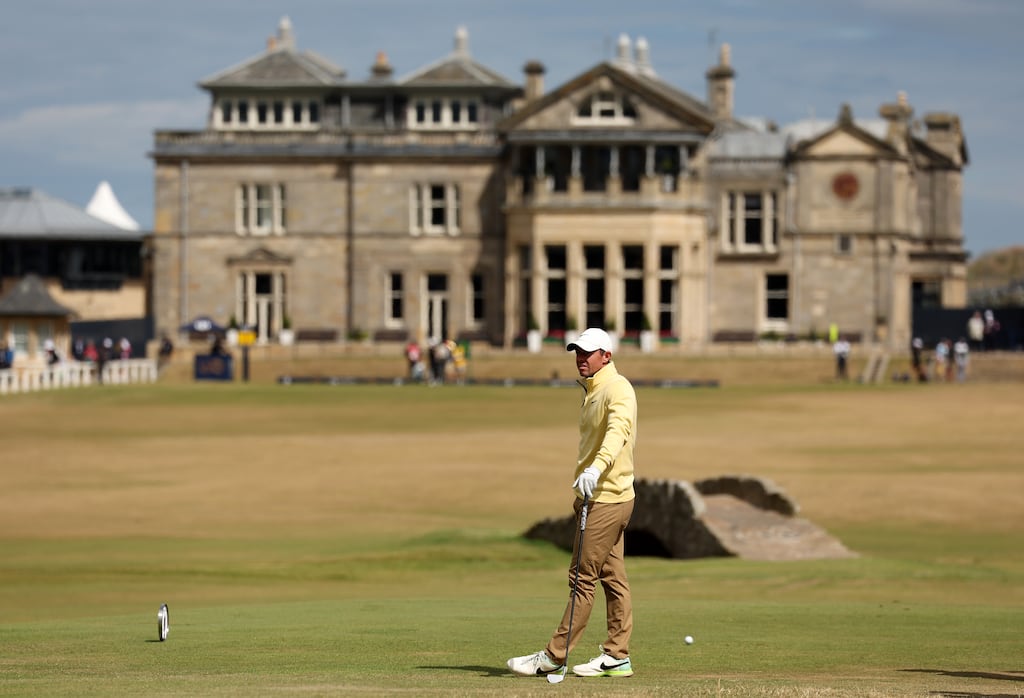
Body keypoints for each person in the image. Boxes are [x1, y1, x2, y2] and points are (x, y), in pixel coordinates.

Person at [507, 327, 637, 679]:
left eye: (588, 352)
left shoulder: (617, 388)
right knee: (613, 576)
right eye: (577, 351)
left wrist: (595, 468)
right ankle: (617, 656)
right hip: (606, 497)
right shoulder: (595, 388)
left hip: (606, 499)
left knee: (582, 577)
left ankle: (554, 656)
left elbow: (618, 431)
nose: (581, 358)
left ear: (606, 356)